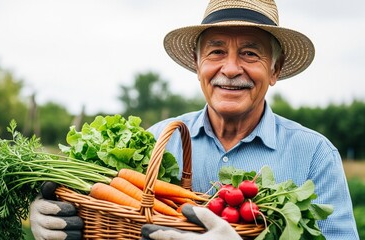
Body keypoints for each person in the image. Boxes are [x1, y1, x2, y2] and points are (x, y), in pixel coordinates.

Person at [29, 0, 360, 239]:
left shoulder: (315, 155)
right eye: (216, 52)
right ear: (196, 63)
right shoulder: (157, 140)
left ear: (274, 69)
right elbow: (114, 225)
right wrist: (54, 220)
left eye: (250, 53)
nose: (230, 69)